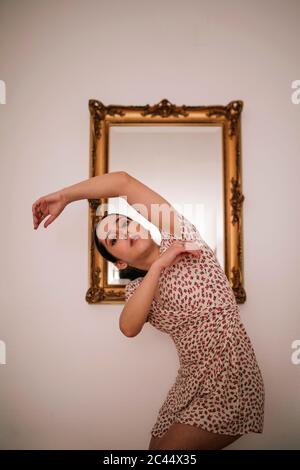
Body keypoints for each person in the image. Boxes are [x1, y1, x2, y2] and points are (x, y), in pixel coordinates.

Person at [32, 171, 265, 450]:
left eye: (123, 223)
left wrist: (66, 196)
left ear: (142, 224)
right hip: (189, 382)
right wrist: (157, 266)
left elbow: (122, 182)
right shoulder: (138, 290)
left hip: (230, 373)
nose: (123, 232)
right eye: (113, 240)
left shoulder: (182, 236)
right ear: (118, 263)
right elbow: (128, 327)